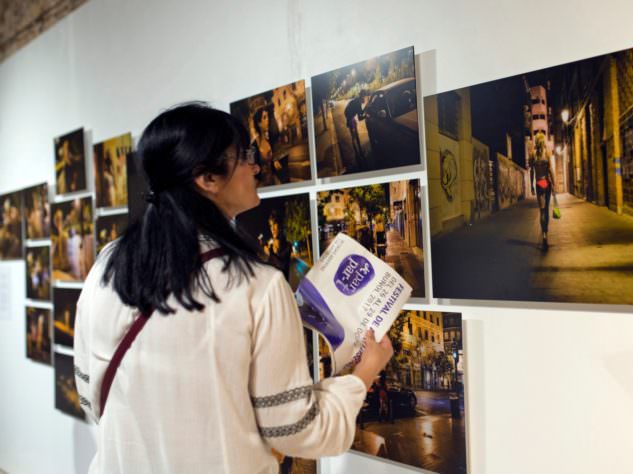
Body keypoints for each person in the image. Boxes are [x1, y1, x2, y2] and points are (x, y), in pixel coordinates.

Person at [73, 103, 393, 473]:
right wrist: (365, 371)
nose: (256, 166)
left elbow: (91, 399)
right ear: (206, 178)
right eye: (244, 156)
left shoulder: (106, 268)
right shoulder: (257, 286)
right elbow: (297, 432)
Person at [529, 132, 556, 249]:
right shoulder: (547, 153)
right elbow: (550, 170)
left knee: (542, 211)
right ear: (543, 141)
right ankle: (545, 236)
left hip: (539, 183)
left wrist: (531, 186)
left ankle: (544, 235)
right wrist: (554, 184)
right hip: (547, 183)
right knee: (547, 211)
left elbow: (531, 171)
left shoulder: (533, 154)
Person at [343, 91, 367, 162]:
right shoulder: (357, 103)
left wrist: (365, 110)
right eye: (364, 97)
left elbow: (360, 113)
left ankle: (358, 150)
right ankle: (358, 152)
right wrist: (366, 114)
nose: (365, 99)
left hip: (349, 116)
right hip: (350, 117)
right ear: (361, 97)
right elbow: (360, 117)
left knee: (355, 134)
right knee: (355, 135)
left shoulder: (357, 101)